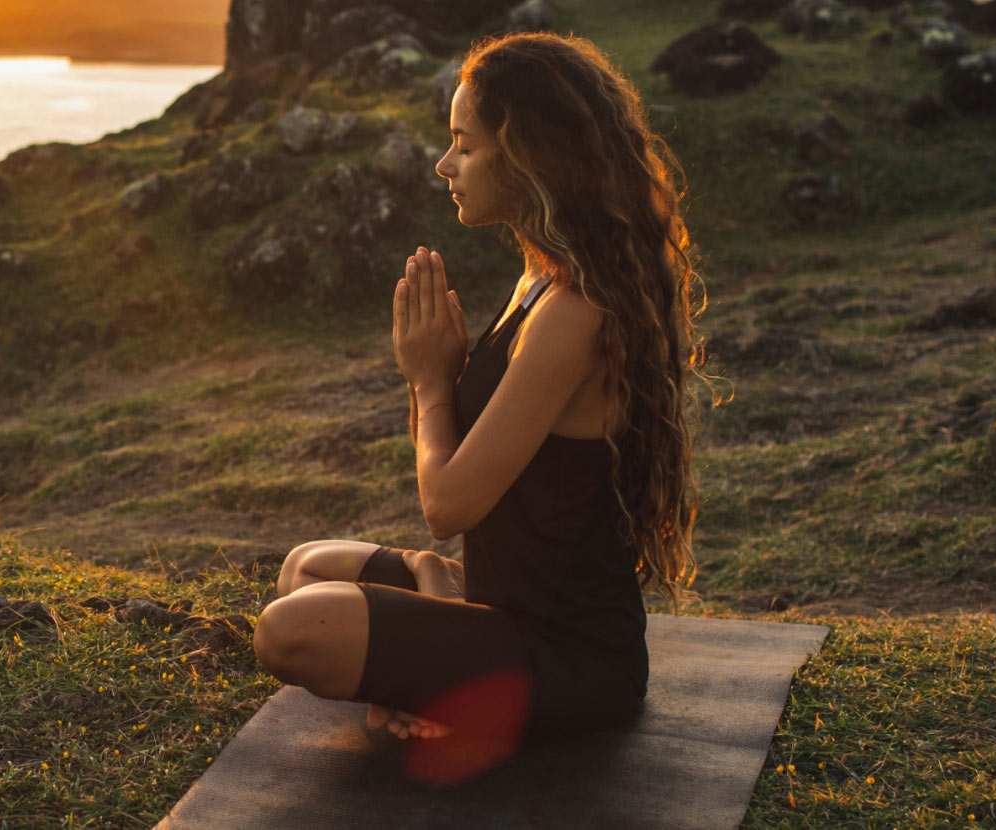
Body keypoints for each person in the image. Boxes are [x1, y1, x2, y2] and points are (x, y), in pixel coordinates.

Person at [251, 30, 717, 778]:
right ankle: (445, 612)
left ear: (526, 153)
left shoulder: (576, 310)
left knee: (292, 631)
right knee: (305, 567)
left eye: (464, 145)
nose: (445, 166)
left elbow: (448, 506)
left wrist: (430, 380)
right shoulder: (540, 276)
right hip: (496, 604)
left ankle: (449, 667)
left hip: (567, 656)